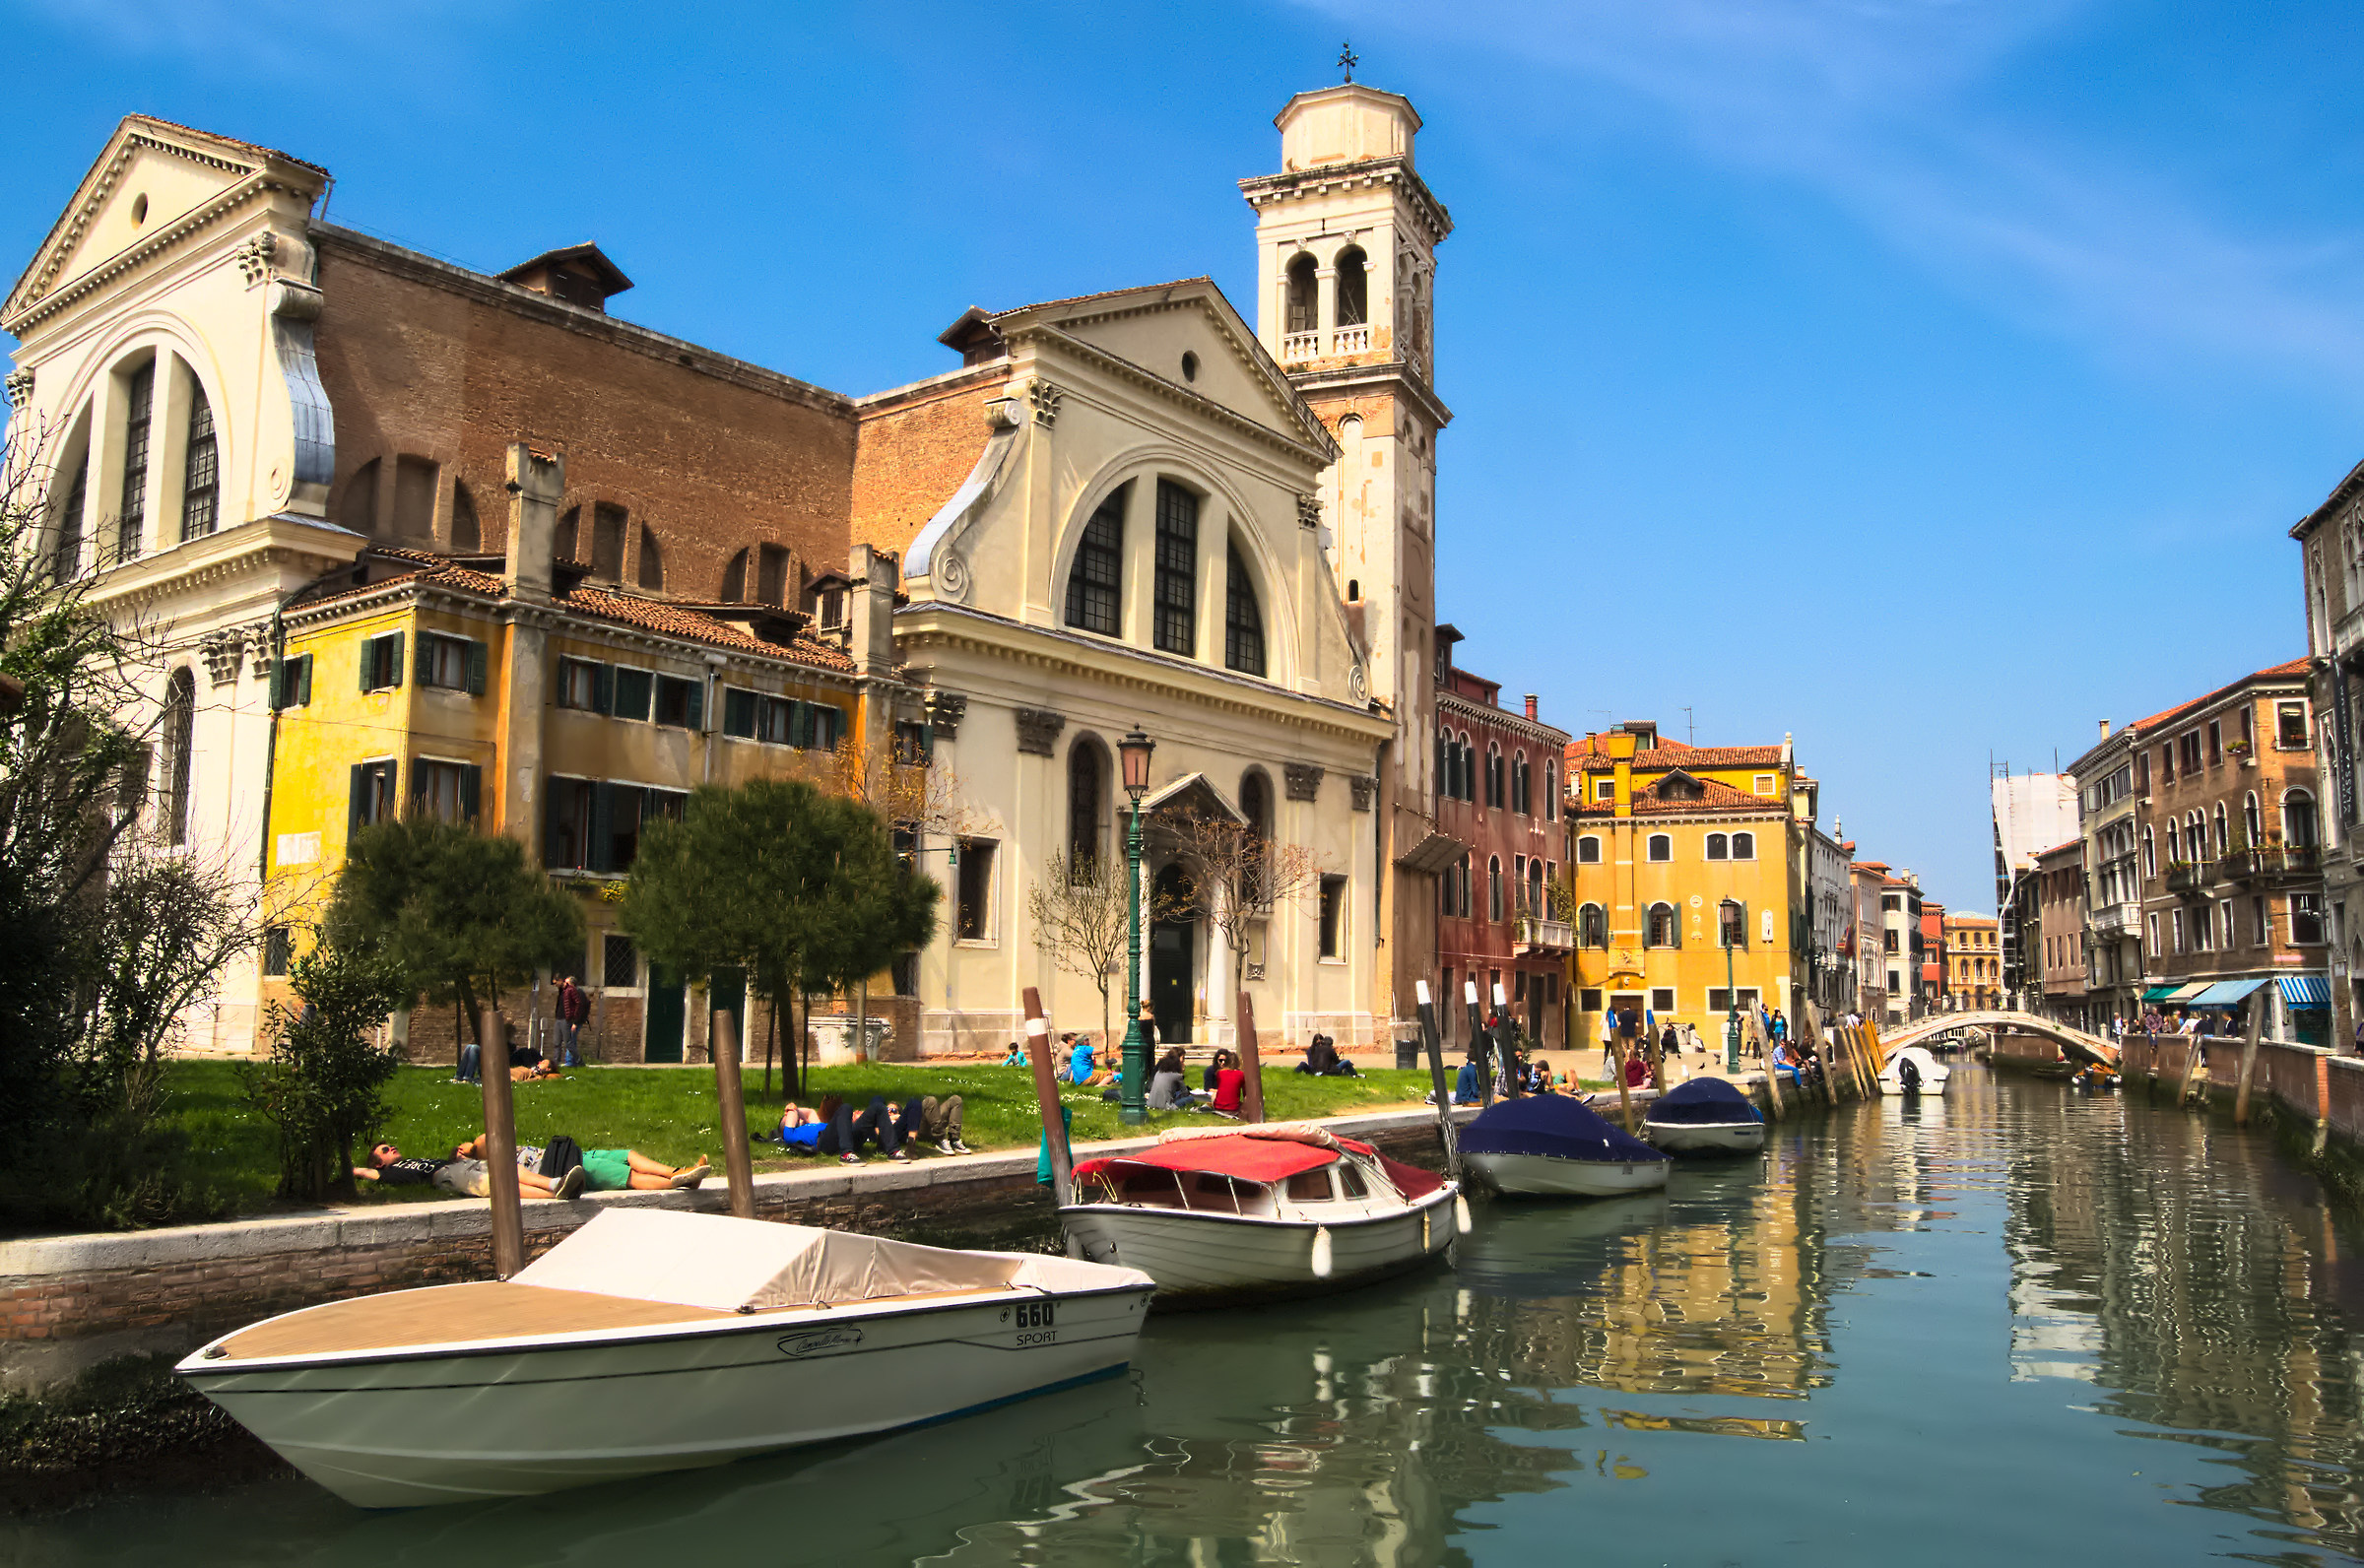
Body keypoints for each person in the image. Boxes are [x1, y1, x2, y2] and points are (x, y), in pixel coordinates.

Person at [453, 1133, 704, 1192]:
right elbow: (482, 1143)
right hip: (565, 1165)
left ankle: (681, 1172)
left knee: (628, 1155)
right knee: (629, 1178)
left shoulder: (494, 1149)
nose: (460, 1148)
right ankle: (679, 1182)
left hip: (573, 1153)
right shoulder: (487, 1162)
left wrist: (472, 1149)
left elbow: (489, 1137)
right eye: (457, 1152)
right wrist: (470, 1152)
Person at [355, 1142, 586, 1199]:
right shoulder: (385, 1174)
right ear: (378, 1163)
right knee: (495, 1183)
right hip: (444, 1176)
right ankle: (555, 1194)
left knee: (506, 1167)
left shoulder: (412, 1159)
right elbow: (361, 1172)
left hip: (456, 1165)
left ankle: (555, 1184)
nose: (392, 1148)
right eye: (386, 1149)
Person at [886, 1093, 973, 1154]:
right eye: (887, 1109)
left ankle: (954, 1139)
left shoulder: (902, 1118)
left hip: (933, 1122)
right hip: (921, 1130)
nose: (889, 1112)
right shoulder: (884, 1122)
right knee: (930, 1101)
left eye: (893, 1110)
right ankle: (940, 1138)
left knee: (956, 1100)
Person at [555, 975, 589, 1068]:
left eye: (567, 982)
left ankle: (575, 1062)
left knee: (569, 1042)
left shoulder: (575, 991)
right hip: (560, 1018)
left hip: (569, 1020)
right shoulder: (563, 991)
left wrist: (575, 1022)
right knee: (558, 1041)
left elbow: (580, 1006)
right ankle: (557, 1062)